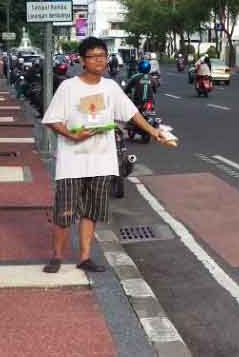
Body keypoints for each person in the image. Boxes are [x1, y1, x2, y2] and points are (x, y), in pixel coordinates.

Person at [41, 37, 171, 274]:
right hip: (73, 161)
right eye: (94, 56)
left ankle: (85, 257)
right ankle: (57, 256)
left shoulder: (110, 87)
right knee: (64, 211)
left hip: (102, 161)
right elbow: (51, 120)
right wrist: (72, 135)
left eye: (103, 56)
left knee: (92, 211)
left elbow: (132, 113)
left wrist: (154, 131)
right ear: (82, 60)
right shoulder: (69, 87)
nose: (100, 60)